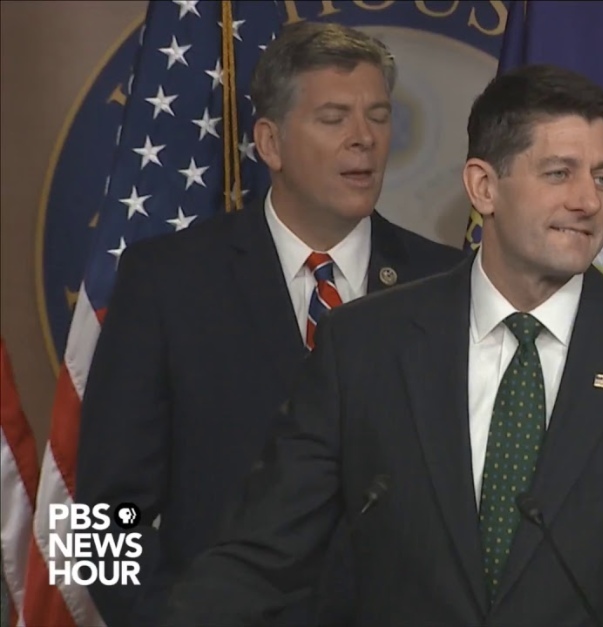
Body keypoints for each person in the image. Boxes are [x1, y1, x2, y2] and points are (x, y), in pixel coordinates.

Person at [158, 63, 603, 627]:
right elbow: (259, 557)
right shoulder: (365, 347)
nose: (588, 201)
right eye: (559, 173)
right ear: (483, 187)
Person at [75, 22, 466, 627]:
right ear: (271, 143)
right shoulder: (168, 282)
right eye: (333, 118)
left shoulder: (446, 284)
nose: (364, 138)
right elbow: (103, 518)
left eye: (379, 116)